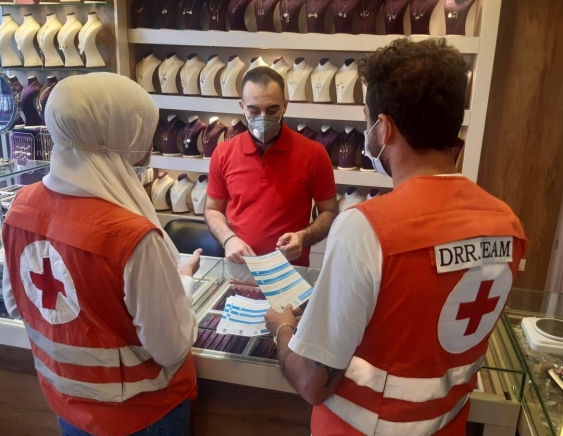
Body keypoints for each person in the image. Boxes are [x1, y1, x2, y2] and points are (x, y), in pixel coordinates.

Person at [265, 38, 528, 435]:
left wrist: (282, 328)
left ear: (383, 128)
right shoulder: (508, 225)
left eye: (367, 120)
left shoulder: (365, 229)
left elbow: (312, 382)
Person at [1, 73, 202, 436]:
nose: (147, 143)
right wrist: (183, 282)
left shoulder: (20, 208)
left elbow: (18, 307)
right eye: (140, 129)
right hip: (142, 415)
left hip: (67, 406)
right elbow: (170, 348)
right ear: (117, 134)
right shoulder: (131, 236)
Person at [205, 67, 338, 266]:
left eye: (272, 110)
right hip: (240, 268)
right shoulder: (223, 153)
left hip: (291, 271)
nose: (262, 117)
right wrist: (228, 239)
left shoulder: (314, 154)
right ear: (242, 106)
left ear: (285, 106)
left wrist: (303, 237)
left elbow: (329, 212)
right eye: (253, 110)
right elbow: (212, 209)